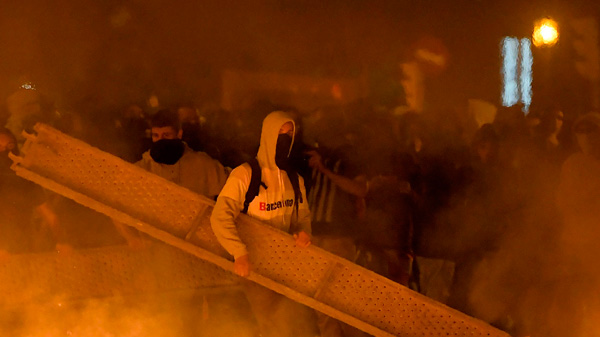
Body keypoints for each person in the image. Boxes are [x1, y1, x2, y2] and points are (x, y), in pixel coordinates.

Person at [210, 110, 314, 337]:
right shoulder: (245, 175)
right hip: (254, 271)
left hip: (287, 271)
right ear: (267, 135)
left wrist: (304, 233)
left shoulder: (295, 178)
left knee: (291, 328)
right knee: (267, 327)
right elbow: (220, 216)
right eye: (279, 133)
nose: (284, 138)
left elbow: (302, 217)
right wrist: (239, 252)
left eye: (289, 133)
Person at [117, 109, 229, 247]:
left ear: (179, 134)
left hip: (200, 247)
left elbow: (233, 194)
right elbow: (114, 202)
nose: (160, 140)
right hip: (156, 249)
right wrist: (131, 238)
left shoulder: (202, 164)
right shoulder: (142, 169)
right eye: (156, 135)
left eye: (166, 135)